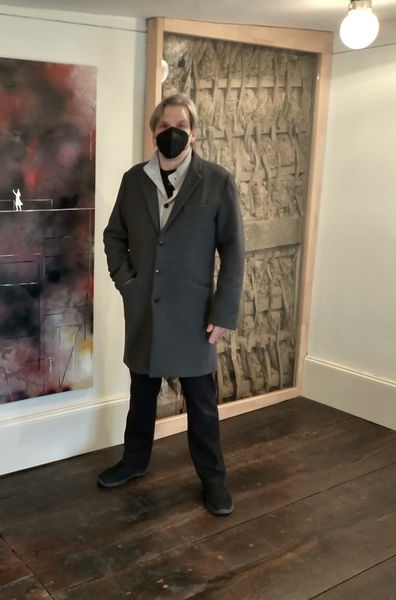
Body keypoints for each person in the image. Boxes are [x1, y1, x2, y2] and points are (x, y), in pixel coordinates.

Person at [100, 94, 245, 516]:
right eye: (164, 126)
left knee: (202, 405)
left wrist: (224, 312)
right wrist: (127, 283)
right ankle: (134, 460)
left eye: (180, 125)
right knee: (141, 395)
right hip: (145, 311)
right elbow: (114, 236)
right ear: (153, 132)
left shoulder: (216, 181)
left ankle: (213, 480)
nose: (172, 133)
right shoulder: (134, 181)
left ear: (193, 133)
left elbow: (233, 250)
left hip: (194, 317)